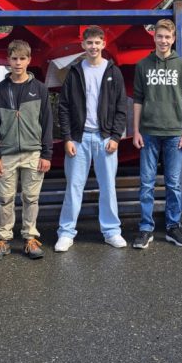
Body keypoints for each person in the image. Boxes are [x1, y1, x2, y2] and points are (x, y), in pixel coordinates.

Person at [56, 26, 129, 251]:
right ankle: (66, 233)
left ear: (103, 44)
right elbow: (64, 107)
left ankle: (111, 232)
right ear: (83, 45)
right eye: (89, 43)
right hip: (79, 138)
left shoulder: (112, 72)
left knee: (108, 187)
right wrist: (67, 137)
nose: (93, 47)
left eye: (97, 42)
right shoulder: (75, 72)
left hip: (104, 138)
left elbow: (121, 107)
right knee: (74, 187)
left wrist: (116, 136)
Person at [0, 40, 52, 261]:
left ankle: (30, 237)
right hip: (6, 153)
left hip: (33, 152)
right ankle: (3, 239)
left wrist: (46, 154)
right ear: (8, 61)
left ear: (29, 60)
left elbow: (47, 123)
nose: (18, 63)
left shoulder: (40, 89)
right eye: (14, 59)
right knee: (5, 198)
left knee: (31, 198)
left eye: (22, 58)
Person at [132, 19, 182, 248]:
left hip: (174, 133)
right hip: (148, 132)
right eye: (160, 36)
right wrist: (136, 130)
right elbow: (137, 99)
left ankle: (172, 227)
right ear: (154, 37)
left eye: (167, 37)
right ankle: (146, 228)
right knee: (146, 183)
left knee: (173, 183)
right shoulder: (143, 65)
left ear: (174, 39)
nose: (163, 41)